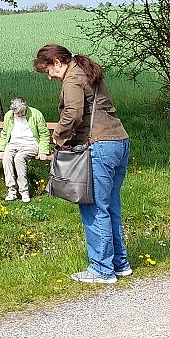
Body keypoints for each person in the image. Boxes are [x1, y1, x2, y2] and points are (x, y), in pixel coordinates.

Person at [33, 44, 131, 284]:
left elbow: (73, 113)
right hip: (119, 141)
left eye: (48, 70)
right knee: (110, 206)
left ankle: (101, 269)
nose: (49, 76)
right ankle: (119, 264)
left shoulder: (72, 79)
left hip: (99, 145)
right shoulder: (86, 70)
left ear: (57, 61)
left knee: (94, 206)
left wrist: (58, 137)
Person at [0, 97, 52, 203]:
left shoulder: (36, 114)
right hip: (13, 143)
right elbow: (4, 134)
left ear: (25, 107)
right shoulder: (9, 115)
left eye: (22, 112)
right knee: (7, 157)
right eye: (18, 113)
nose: (21, 114)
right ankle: (11, 190)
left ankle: (24, 191)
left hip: (30, 144)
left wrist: (43, 151)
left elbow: (44, 134)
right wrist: (1, 149)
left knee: (19, 158)